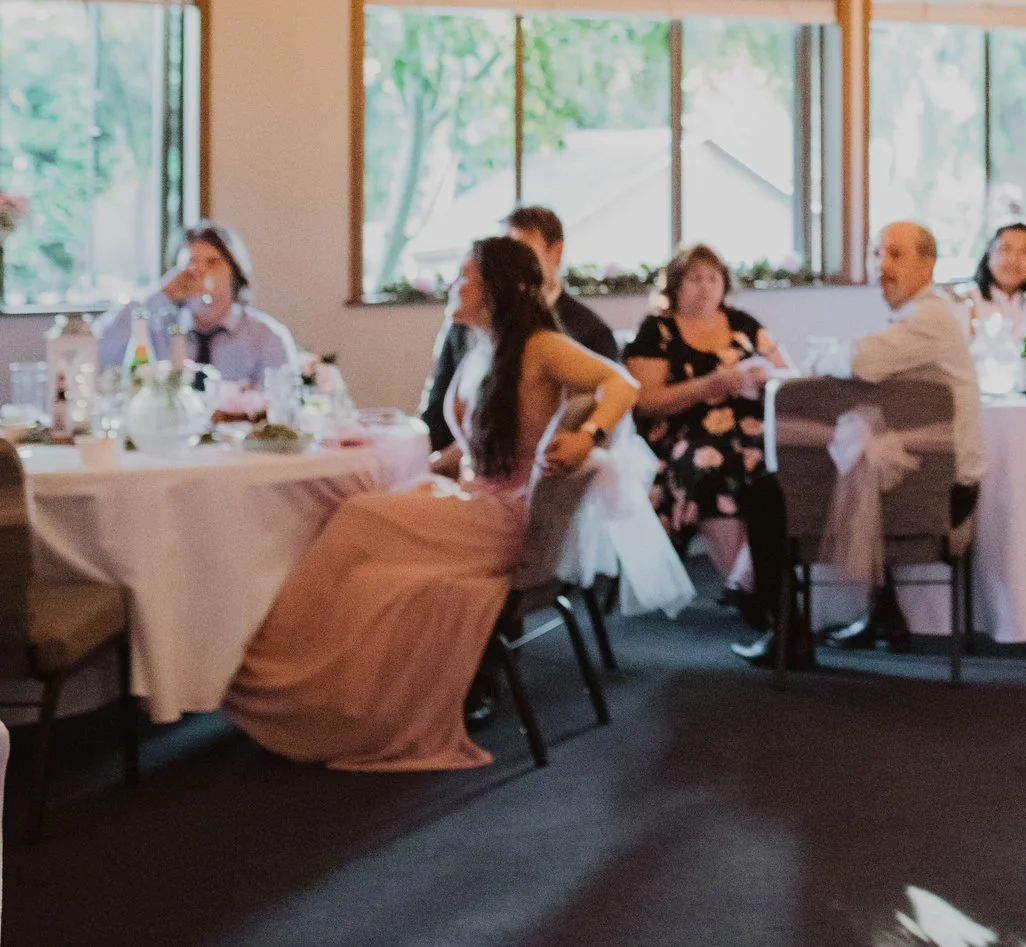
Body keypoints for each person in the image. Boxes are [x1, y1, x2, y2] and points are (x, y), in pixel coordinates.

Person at [224, 236, 636, 770]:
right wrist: (438, 460)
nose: (452, 286)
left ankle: (273, 677)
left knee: (356, 517)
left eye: (464, 277)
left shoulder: (540, 346)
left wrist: (590, 436)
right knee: (362, 537)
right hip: (472, 498)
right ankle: (330, 699)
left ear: (495, 289)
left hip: (503, 519)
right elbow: (478, 445)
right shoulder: (479, 347)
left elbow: (622, 383)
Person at [815, 221, 985, 657]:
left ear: (927, 264)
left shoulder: (930, 318)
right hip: (928, 479)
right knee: (846, 464)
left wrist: (817, 356)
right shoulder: (916, 316)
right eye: (876, 254)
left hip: (945, 492)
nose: (881, 266)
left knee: (794, 487)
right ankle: (881, 615)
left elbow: (862, 360)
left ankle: (776, 618)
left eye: (895, 255)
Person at [625, 245, 787, 609]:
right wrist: (705, 387)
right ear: (676, 285)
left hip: (748, 428)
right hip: (685, 431)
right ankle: (745, 587)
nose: (705, 286)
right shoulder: (658, 330)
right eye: (694, 278)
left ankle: (764, 575)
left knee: (773, 466)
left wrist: (762, 374)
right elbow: (645, 401)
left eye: (713, 278)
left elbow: (782, 372)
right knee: (710, 467)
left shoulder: (743, 324)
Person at [421, 204, 617, 449]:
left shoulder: (587, 332)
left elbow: (609, 397)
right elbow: (436, 408)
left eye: (520, 250)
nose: (506, 263)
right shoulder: (464, 329)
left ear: (555, 253)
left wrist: (586, 437)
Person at [98, 221, 297, 384]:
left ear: (235, 272)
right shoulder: (160, 327)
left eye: (212, 263)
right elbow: (99, 350)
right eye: (190, 263)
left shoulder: (267, 338)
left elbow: (280, 409)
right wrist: (160, 295)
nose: (199, 272)